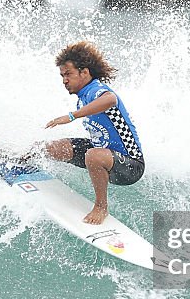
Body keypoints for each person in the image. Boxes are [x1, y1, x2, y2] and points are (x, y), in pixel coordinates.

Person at [44, 41, 145, 224]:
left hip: (130, 164)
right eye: (62, 76)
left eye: (68, 74)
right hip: (103, 152)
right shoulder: (83, 96)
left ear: (84, 72)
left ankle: (101, 207)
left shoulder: (96, 90)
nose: (64, 80)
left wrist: (72, 116)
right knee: (54, 147)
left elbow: (110, 99)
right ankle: (18, 158)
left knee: (93, 155)